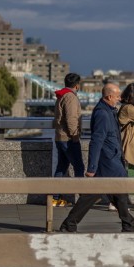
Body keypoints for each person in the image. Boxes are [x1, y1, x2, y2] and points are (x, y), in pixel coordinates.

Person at [59, 83, 134, 233]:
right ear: (109, 97)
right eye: (117, 96)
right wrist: (92, 168)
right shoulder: (102, 113)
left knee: (110, 194)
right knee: (110, 193)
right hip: (108, 161)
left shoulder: (108, 111)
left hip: (111, 158)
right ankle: (129, 224)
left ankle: (128, 224)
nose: (119, 99)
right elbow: (96, 141)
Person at [51, 73, 85, 207]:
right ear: (77, 85)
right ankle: (83, 197)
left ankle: (55, 198)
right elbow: (71, 118)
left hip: (60, 137)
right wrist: (75, 136)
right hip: (68, 138)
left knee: (61, 167)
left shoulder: (61, 96)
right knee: (79, 166)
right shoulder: (70, 97)